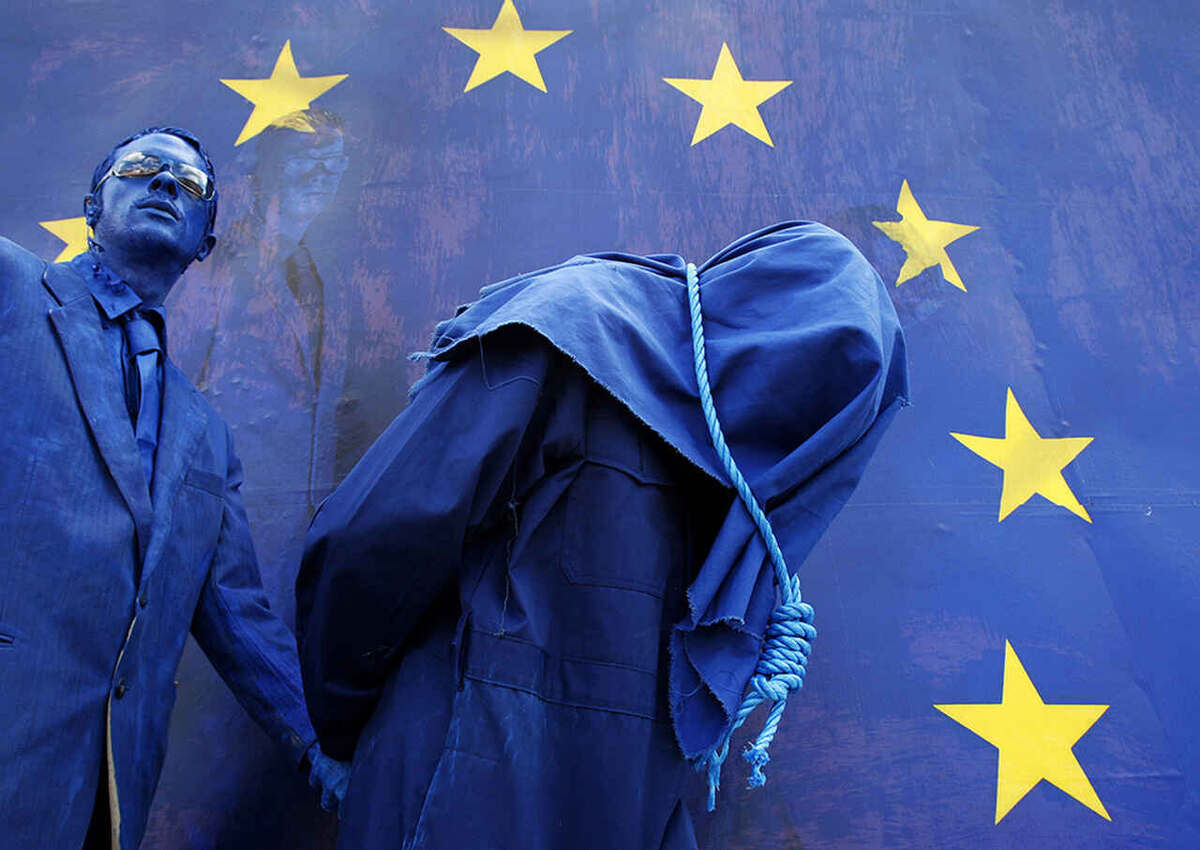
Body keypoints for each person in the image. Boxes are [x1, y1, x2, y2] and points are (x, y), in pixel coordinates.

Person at [296, 221, 909, 849]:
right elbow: (377, 538)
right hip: (449, 796)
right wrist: (344, 733)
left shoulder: (749, 511)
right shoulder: (575, 328)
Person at [0, 126, 348, 850]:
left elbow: (241, 621)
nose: (164, 184)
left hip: (106, 797)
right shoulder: (9, 288)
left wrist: (323, 751)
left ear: (206, 243)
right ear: (93, 206)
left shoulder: (205, 437)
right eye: (141, 169)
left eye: (189, 185)